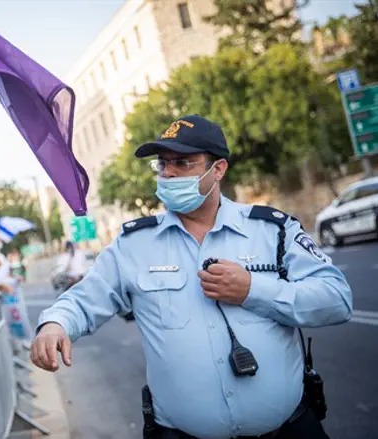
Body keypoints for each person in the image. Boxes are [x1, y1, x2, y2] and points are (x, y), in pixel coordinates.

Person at [31, 115, 353, 439]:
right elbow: (86, 298)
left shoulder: (272, 230)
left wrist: (253, 289)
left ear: (219, 170)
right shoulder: (134, 244)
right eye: (162, 164)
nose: (169, 173)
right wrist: (55, 323)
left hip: (289, 432)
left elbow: (336, 298)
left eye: (183, 162)